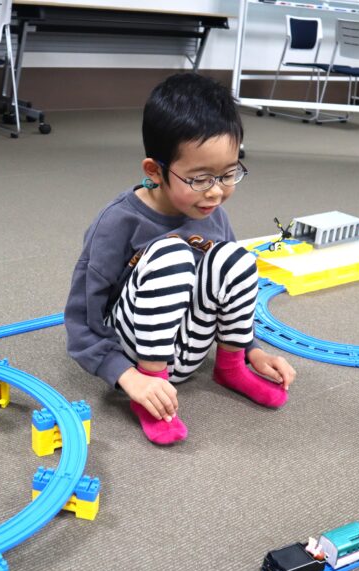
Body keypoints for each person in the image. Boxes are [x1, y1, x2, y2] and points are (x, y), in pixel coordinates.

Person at [64, 73, 296, 445]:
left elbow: (225, 288)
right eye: (201, 179)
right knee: (171, 252)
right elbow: (81, 322)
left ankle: (230, 367)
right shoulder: (117, 222)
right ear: (154, 171)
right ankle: (153, 391)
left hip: (189, 345)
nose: (216, 192)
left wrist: (251, 350)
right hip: (135, 354)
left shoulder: (212, 213)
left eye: (229, 174)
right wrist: (128, 376)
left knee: (235, 258)